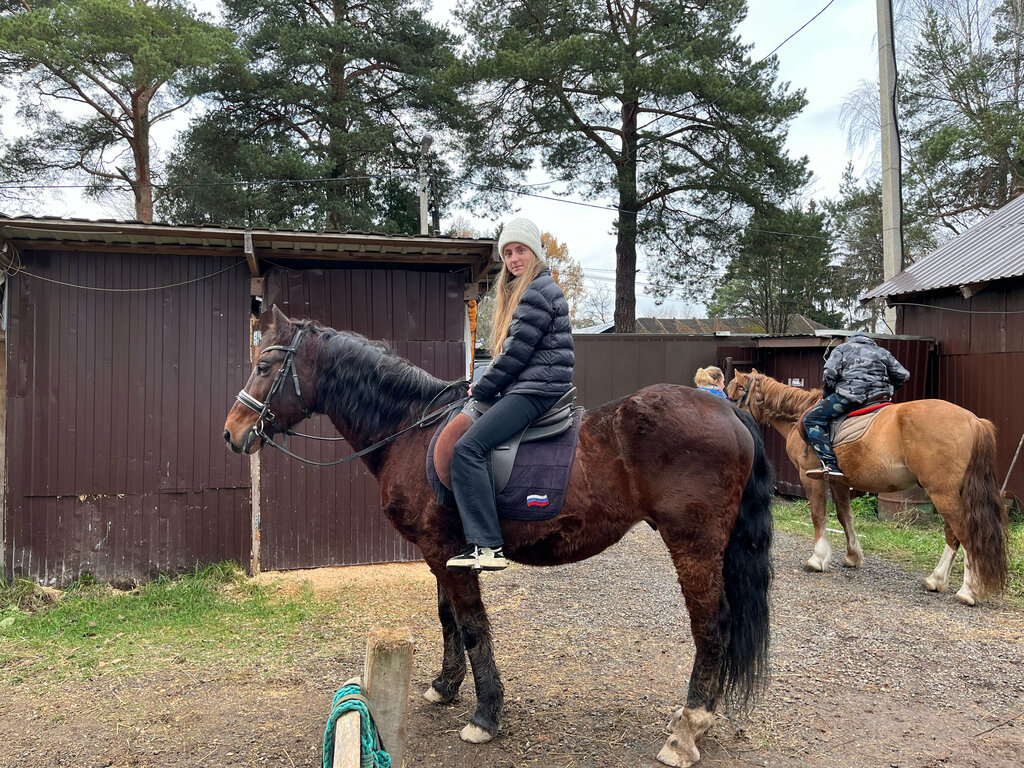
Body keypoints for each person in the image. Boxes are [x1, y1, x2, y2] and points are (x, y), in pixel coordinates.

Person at [446, 217, 575, 572]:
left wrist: (483, 387)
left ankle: (487, 545)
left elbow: (516, 354)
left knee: (468, 448)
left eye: (520, 250)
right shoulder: (530, 289)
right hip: (536, 383)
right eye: (508, 253)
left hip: (537, 389)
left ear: (534, 252)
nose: (514, 258)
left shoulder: (536, 290)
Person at [803, 333, 909, 479]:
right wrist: (889, 388)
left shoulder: (842, 348)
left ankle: (830, 463)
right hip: (879, 398)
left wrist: (827, 395)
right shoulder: (882, 351)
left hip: (850, 398)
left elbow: (829, 374)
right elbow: (903, 375)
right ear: (870, 341)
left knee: (811, 420)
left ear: (852, 339)